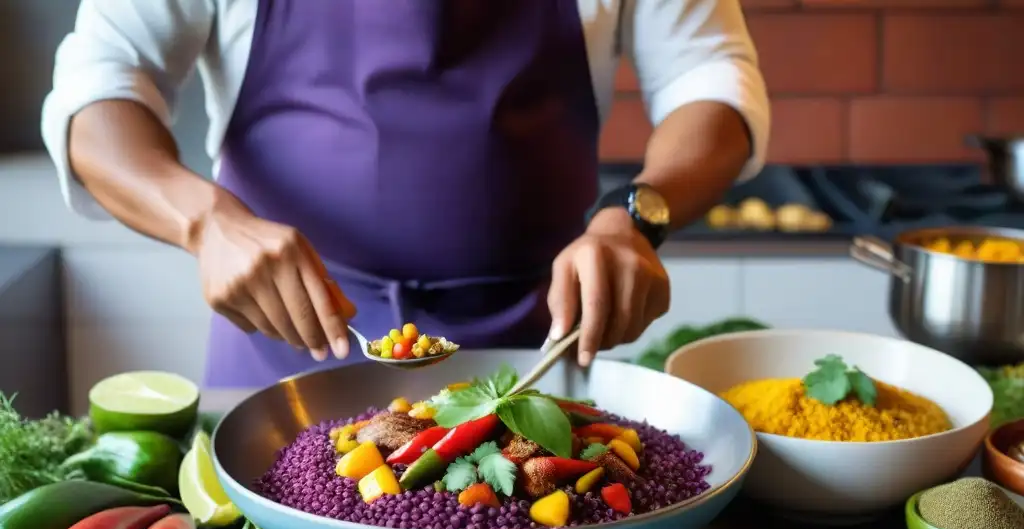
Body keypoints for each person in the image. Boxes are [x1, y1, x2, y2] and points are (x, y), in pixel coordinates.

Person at [43, 0, 769, 389]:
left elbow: (710, 77)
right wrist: (205, 222)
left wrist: (633, 220)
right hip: (283, 363)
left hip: (532, 361)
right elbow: (99, 87)